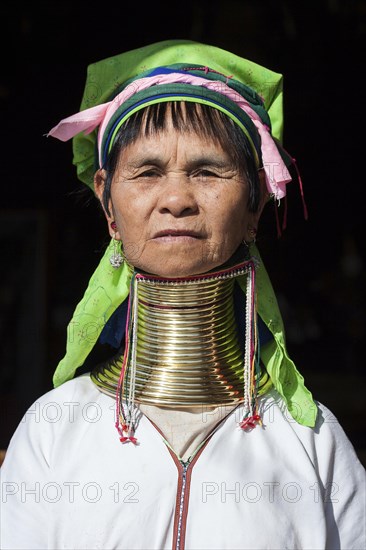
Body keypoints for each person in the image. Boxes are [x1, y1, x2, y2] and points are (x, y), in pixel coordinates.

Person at [1, 39, 365, 550]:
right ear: (108, 201)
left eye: (208, 171)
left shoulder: (311, 439)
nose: (176, 199)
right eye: (147, 173)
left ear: (255, 203)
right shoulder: (52, 430)